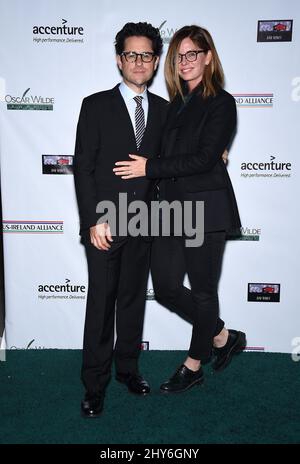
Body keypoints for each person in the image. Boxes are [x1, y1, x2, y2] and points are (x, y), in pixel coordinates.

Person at [113, 25, 246, 393]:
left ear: (207, 57)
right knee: (168, 287)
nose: (185, 61)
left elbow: (204, 159)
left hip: (205, 208)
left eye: (193, 54)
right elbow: (162, 151)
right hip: (170, 210)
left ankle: (193, 363)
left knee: (203, 291)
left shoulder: (221, 102)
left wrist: (149, 167)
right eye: (180, 55)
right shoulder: (173, 107)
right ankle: (221, 333)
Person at [74, 22, 167, 417]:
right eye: (131, 54)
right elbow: (83, 167)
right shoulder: (94, 105)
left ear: (156, 61)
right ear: (118, 59)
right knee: (101, 303)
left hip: (144, 223)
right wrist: (94, 219)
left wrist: (217, 155)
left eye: (146, 54)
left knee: (132, 300)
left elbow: (174, 161)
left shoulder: (164, 111)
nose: (139, 61)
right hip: (105, 225)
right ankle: (94, 385)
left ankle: (127, 370)